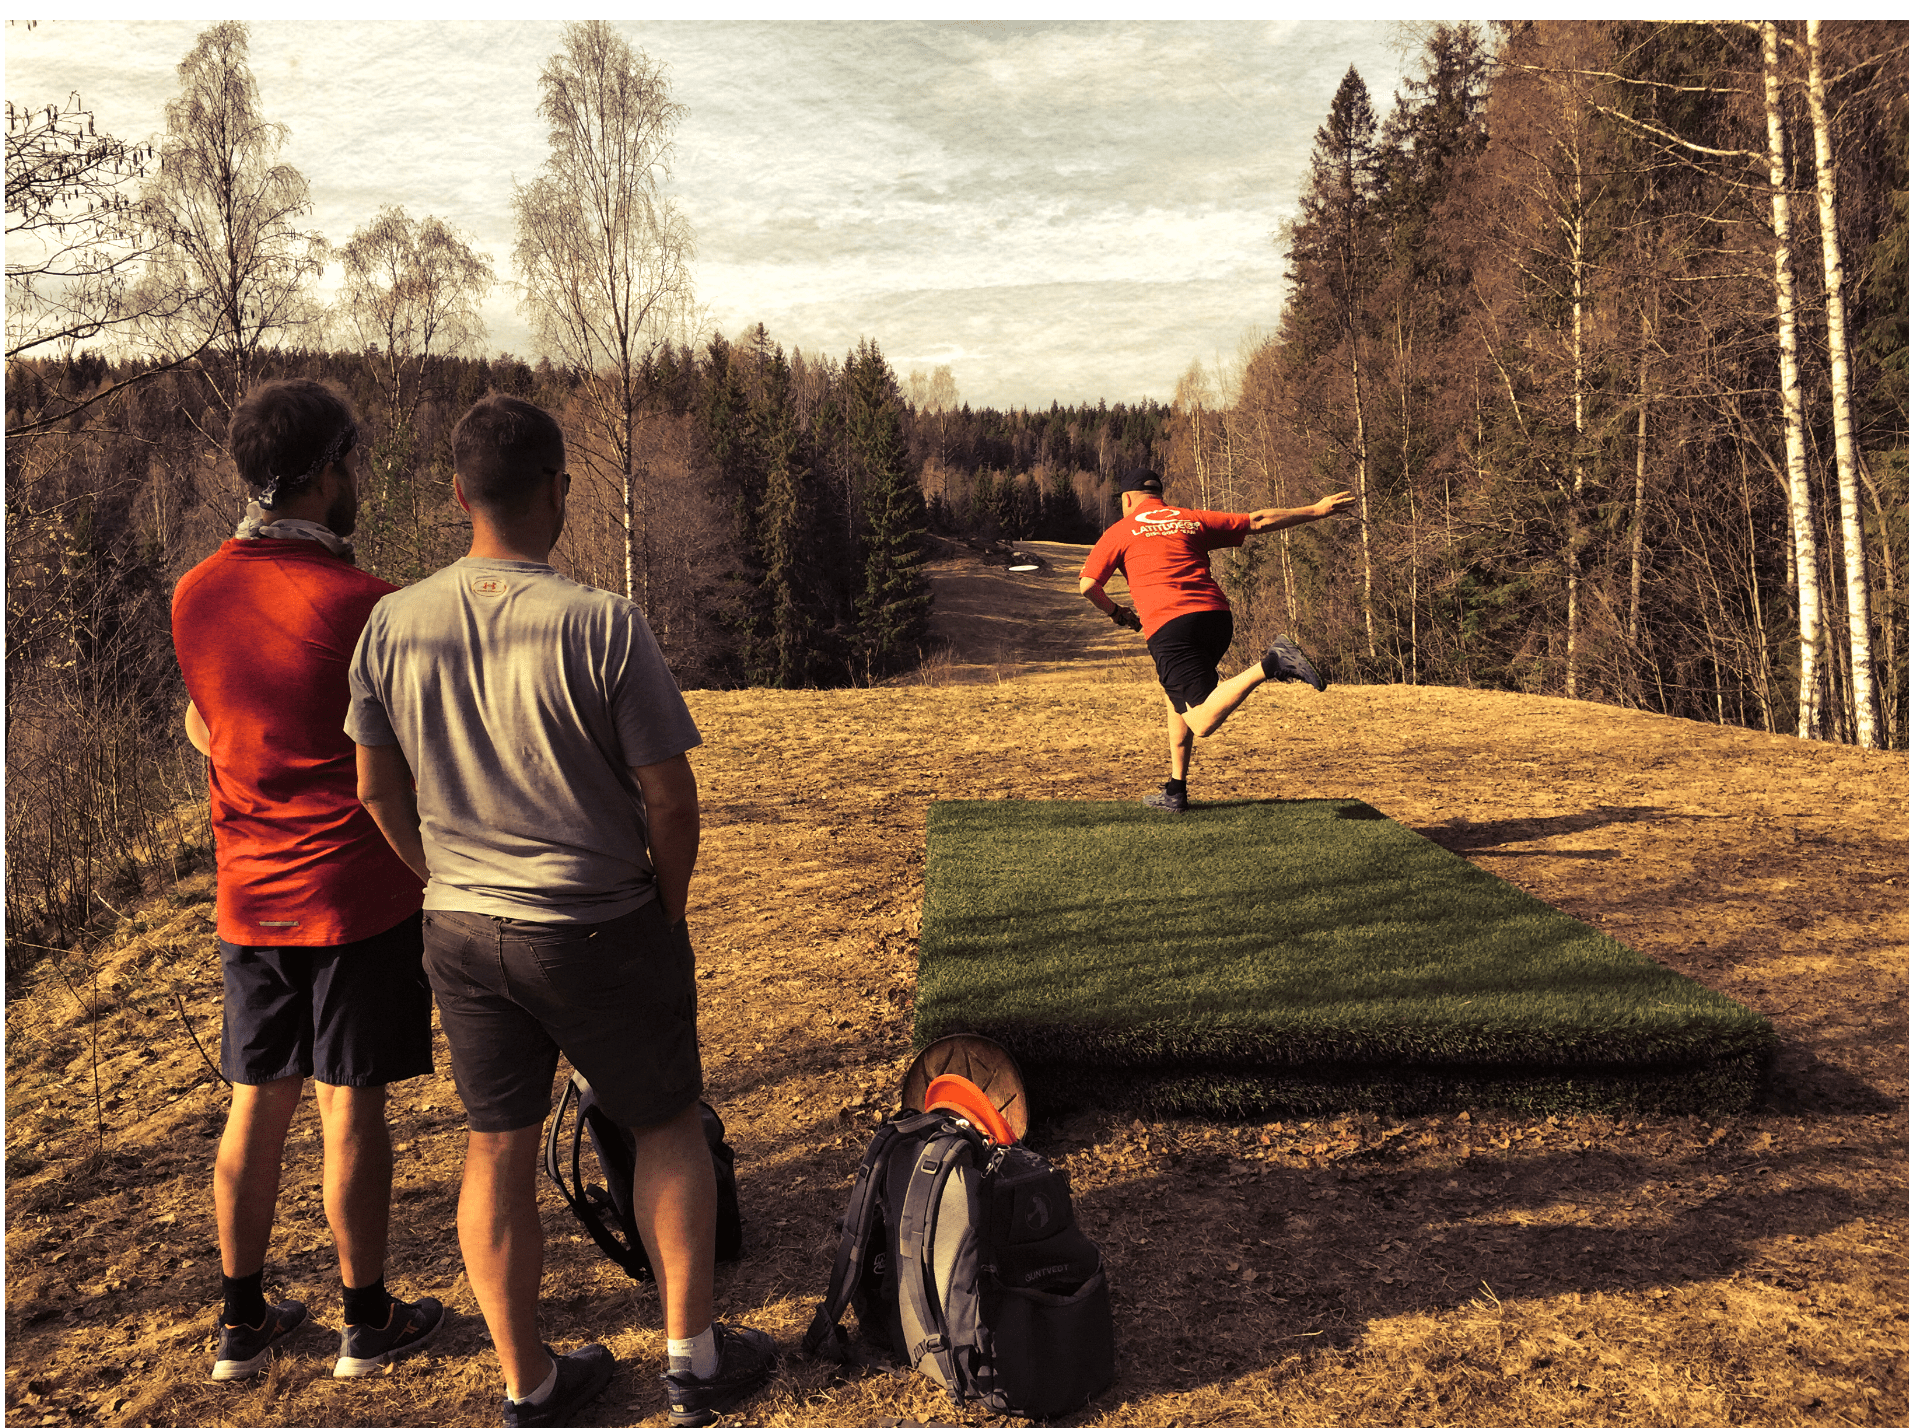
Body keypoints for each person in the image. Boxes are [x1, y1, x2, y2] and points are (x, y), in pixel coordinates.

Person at [346, 393, 776, 1428]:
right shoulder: (599, 622)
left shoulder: (391, 622)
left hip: (459, 926)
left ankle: (528, 1385)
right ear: (561, 493)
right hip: (594, 921)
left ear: (458, 496)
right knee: (665, 1121)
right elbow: (670, 799)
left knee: (495, 1143)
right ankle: (692, 1361)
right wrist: (662, 908)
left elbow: (373, 790)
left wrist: (437, 874)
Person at [170, 378, 444, 1383]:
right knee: (351, 1103)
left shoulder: (194, 595)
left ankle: (241, 1323)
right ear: (327, 472)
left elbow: (206, 727)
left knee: (257, 1099)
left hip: (249, 891)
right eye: (352, 464)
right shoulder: (367, 606)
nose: (356, 480)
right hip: (353, 894)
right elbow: (408, 753)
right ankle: (364, 1320)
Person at [1079, 469, 1355, 813]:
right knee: (1177, 698)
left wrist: (1118, 614)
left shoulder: (1119, 531)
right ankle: (1175, 791)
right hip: (1216, 619)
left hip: (1170, 626)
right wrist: (1317, 510)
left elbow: (1089, 585)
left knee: (1202, 720)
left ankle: (1274, 662)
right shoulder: (1190, 519)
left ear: (1127, 499)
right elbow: (1256, 521)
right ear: (1159, 495)